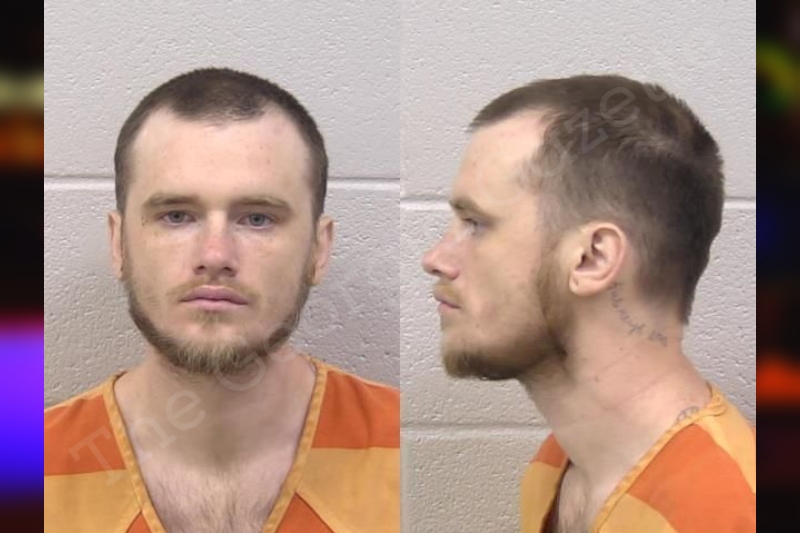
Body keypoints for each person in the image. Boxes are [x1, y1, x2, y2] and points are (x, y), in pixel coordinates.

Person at [44, 68, 399, 533]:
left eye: (257, 218)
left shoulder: (401, 446)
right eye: (176, 216)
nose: (214, 256)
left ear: (318, 249)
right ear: (118, 244)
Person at [422, 74, 755, 532]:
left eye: (475, 223)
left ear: (592, 258)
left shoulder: (726, 513)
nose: (435, 259)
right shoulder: (557, 467)